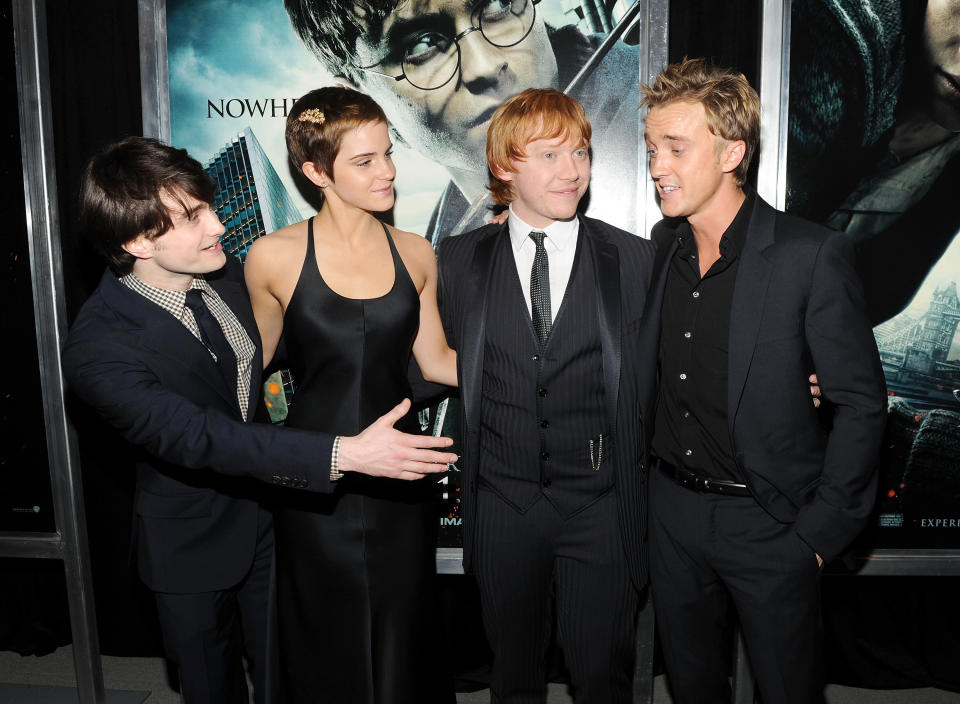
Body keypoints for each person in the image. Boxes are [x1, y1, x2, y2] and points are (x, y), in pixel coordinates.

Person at [61, 136, 457, 704]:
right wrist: (344, 454)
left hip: (280, 525)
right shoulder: (98, 349)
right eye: (192, 218)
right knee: (213, 687)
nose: (218, 226)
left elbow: (335, 347)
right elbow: (200, 436)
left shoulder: (228, 278)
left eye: (208, 206)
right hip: (192, 545)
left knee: (293, 679)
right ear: (136, 241)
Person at [640, 58, 888, 704]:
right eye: (651, 148)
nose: (657, 164)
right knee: (693, 689)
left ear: (732, 152)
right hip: (672, 517)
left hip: (770, 522)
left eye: (675, 147)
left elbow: (861, 406)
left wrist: (817, 538)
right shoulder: (660, 250)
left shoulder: (810, 255)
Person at [435, 88, 655, 703]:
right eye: (551, 156)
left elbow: (668, 366)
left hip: (601, 505)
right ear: (505, 166)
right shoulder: (456, 260)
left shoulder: (633, 258)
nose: (573, 172)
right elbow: (426, 361)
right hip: (503, 503)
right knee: (514, 677)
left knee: (601, 675)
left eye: (581, 154)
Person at [243, 86, 457, 703]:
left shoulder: (417, 253)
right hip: (316, 481)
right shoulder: (272, 257)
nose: (387, 170)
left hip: (400, 479)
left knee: (402, 625)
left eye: (387, 153)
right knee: (321, 632)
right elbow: (248, 373)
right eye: (364, 161)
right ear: (316, 172)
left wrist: (537, 367)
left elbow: (439, 362)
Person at [283, 0, 640, 240]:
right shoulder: (439, 272)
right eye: (420, 46)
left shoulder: (664, 109)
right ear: (365, 100)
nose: (484, 66)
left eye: (498, 3)